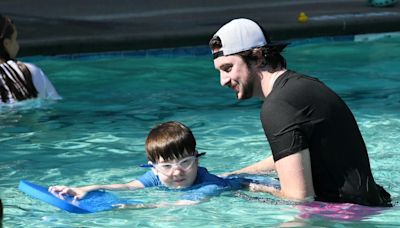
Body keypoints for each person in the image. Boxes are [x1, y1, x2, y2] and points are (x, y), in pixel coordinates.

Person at [209, 18, 391, 207]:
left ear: (258, 57)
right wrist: (235, 176)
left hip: (345, 216)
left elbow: (299, 199)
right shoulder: (304, 86)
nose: (223, 80)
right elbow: (294, 155)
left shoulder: (277, 106)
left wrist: (247, 186)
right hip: (372, 205)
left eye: (228, 68)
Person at [49, 121, 244, 209]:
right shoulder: (157, 176)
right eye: (167, 166)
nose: (177, 171)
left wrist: (130, 207)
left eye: (186, 162)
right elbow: (128, 186)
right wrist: (86, 189)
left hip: (242, 186)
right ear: (154, 168)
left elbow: (183, 204)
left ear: (197, 160)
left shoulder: (209, 184)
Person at [0, 14, 60, 104]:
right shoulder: (30, 71)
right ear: (6, 43)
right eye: (15, 39)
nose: (18, 45)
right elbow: (54, 105)